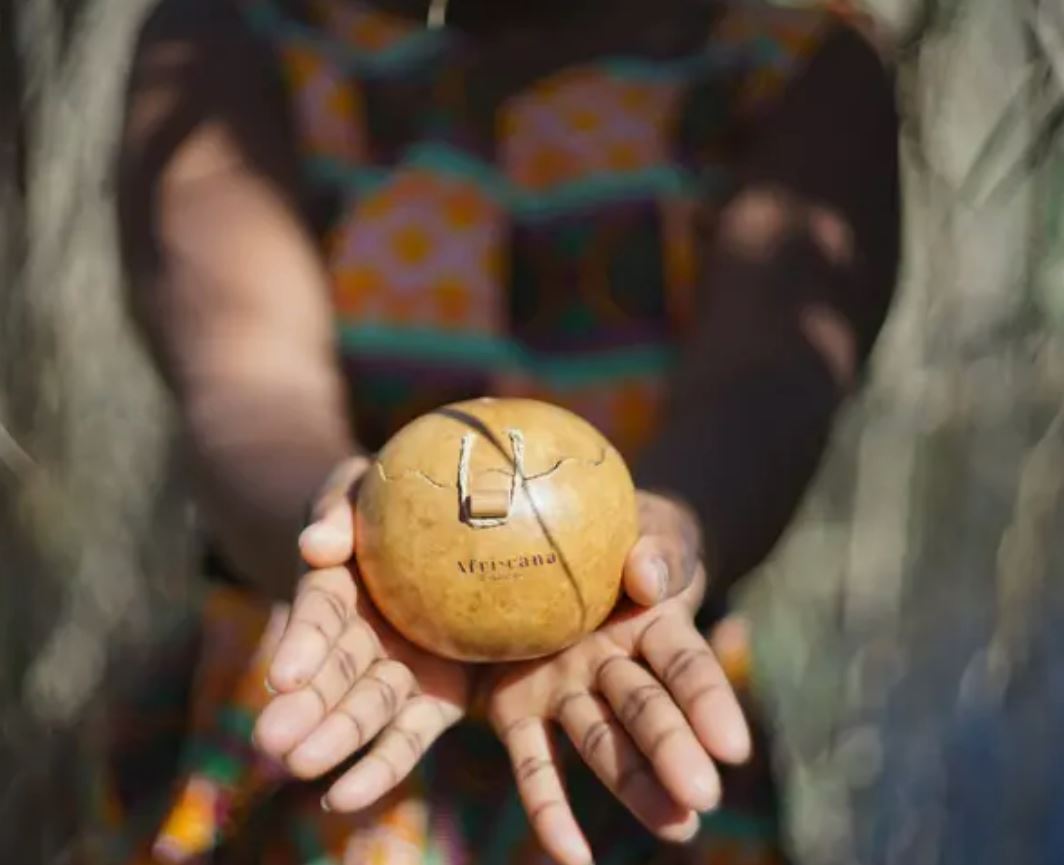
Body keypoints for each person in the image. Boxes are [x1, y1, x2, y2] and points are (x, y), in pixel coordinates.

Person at [114, 0, 899, 862]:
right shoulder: (236, 32)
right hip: (315, 697)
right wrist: (342, 523)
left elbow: (770, 382)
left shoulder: (789, 54)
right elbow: (247, 387)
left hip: (631, 705)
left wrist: (666, 534)